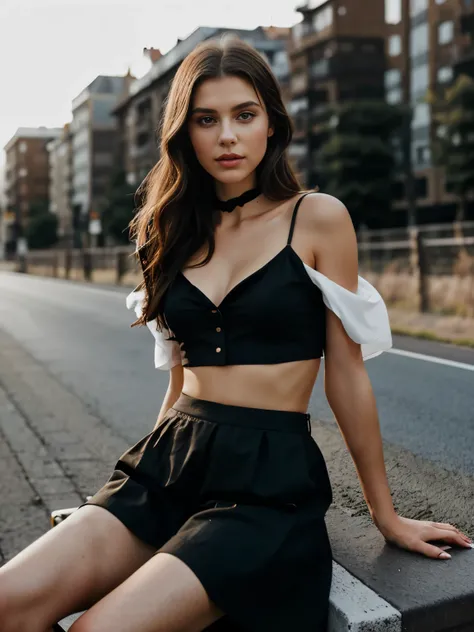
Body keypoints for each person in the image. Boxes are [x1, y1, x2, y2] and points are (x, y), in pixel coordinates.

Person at [1, 34, 472, 632]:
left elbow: (347, 375)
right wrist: (125, 491)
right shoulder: (167, 230)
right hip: (169, 462)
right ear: (185, 131)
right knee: (8, 603)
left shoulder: (317, 217)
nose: (226, 136)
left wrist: (387, 514)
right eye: (206, 119)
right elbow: (178, 381)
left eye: (244, 115)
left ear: (271, 124)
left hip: (265, 483)